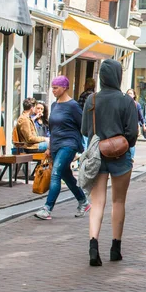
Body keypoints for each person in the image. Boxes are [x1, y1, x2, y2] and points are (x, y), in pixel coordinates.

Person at [81, 59, 138, 266]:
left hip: (97, 155)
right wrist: (121, 143)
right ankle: (115, 247)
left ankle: (93, 245)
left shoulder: (92, 99)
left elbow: (84, 130)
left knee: (97, 203)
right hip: (120, 156)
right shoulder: (126, 101)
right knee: (118, 201)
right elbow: (132, 133)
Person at [34, 76, 89, 221]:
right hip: (56, 144)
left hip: (69, 144)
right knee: (66, 176)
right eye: (52, 87)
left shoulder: (73, 106)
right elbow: (52, 129)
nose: (53, 90)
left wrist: (83, 147)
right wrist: (49, 147)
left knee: (56, 173)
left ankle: (47, 208)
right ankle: (83, 201)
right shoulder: (54, 105)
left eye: (55, 87)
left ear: (64, 88)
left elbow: (83, 125)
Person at [126, 89, 145, 161]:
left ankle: (131, 157)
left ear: (134, 95)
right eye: (128, 93)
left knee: (132, 140)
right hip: (125, 125)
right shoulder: (124, 104)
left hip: (134, 125)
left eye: (130, 93)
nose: (129, 95)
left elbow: (141, 116)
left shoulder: (137, 104)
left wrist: (143, 125)